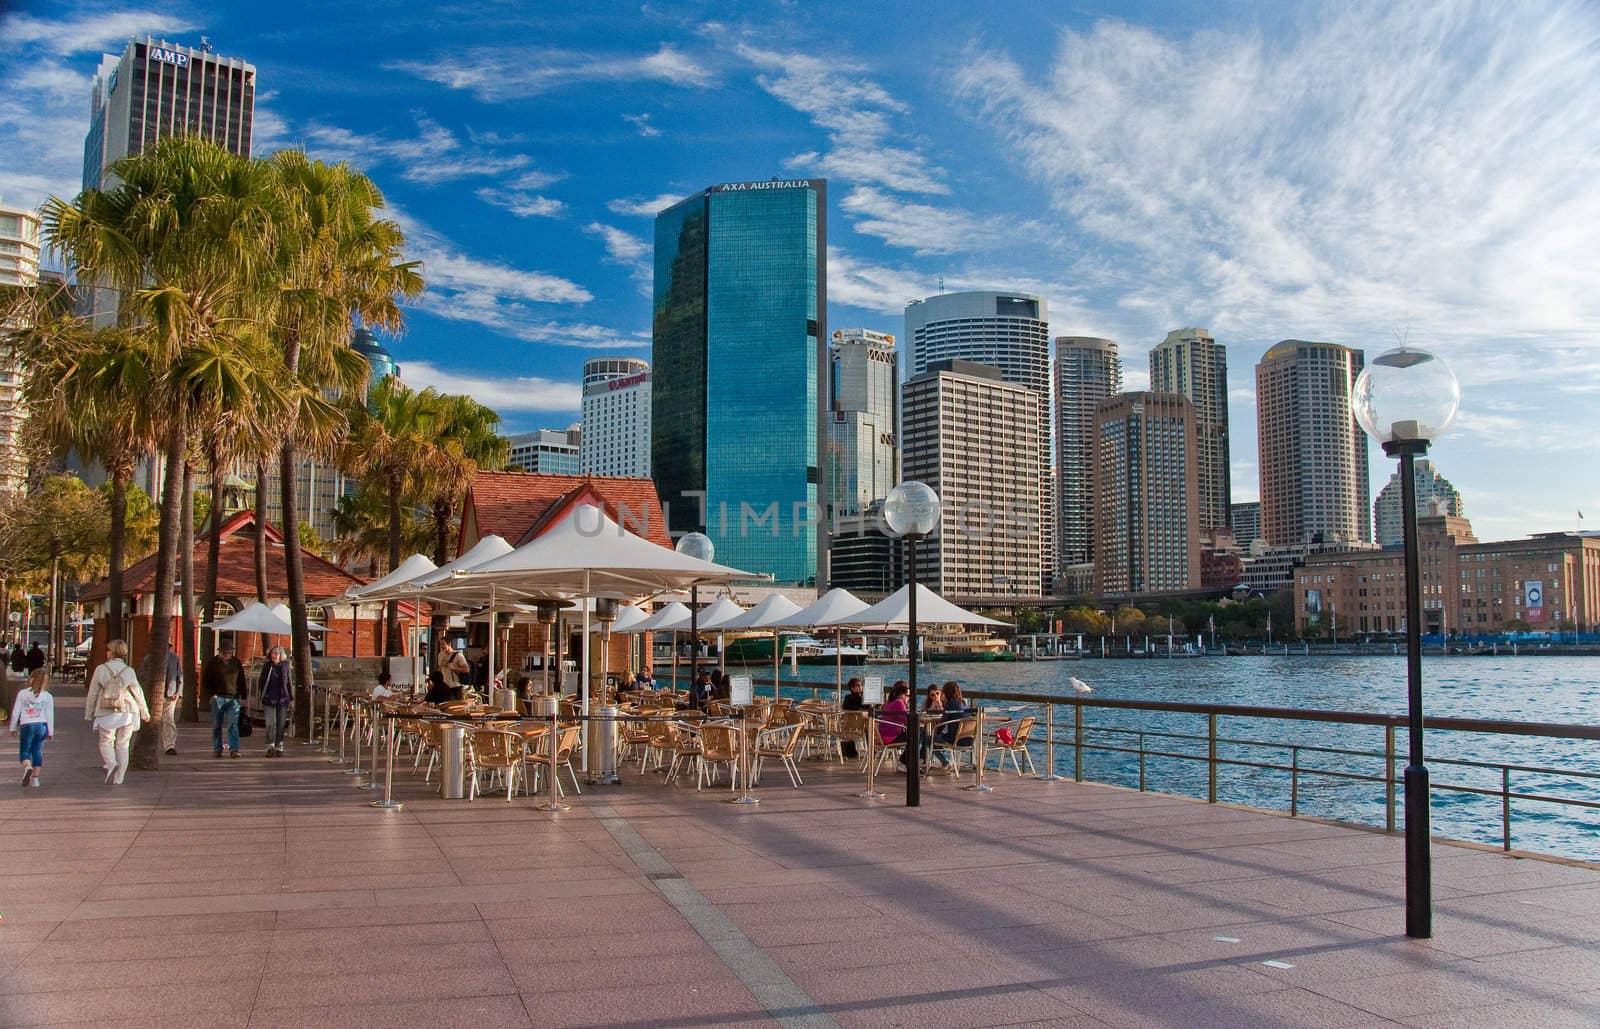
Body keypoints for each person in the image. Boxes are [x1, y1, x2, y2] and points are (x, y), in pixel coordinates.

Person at [85, 639, 149, 785]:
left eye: (108, 650)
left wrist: (89, 713)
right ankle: (119, 778)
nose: (106, 652)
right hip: (127, 710)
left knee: (106, 741)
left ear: (112, 652)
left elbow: (93, 693)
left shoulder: (101, 669)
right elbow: (138, 692)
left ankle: (111, 763)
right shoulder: (129, 671)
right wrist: (145, 712)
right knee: (123, 745)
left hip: (106, 709)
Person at [9, 668, 53, 787]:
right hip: (42, 725)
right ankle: (36, 779)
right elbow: (50, 715)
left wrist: (13, 727)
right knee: (37, 751)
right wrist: (50, 731)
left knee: (25, 750)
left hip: (27, 725)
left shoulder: (23, 694)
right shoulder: (48, 696)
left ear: (31, 679)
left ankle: (27, 766)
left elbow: (16, 711)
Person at [202, 641, 247, 758]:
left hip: (233, 697)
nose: (228, 655)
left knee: (233, 724)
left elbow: (241, 680)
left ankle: (234, 749)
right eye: (226, 653)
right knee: (217, 724)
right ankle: (217, 748)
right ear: (220, 652)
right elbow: (206, 681)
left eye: (230, 652)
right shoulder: (213, 663)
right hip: (218, 697)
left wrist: (244, 696)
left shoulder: (236, 662)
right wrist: (212, 694)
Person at [258, 646, 292, 756]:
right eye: (273, 653)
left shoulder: (285, 666)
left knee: (281, 724)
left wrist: (291, 698)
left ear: (281, 656)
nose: (274, 656)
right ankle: (270, 746)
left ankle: (279, 746)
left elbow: (288, 683)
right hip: (269, 698)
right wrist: (262, 693)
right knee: (270, 723)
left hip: (282, 698)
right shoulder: (268, 665)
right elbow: (261, 680)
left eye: (277, 654)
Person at [878, 681, 911, 769]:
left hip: (882, 737)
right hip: (891, 737)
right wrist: (906, 704)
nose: (908, 698)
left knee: (913, 734)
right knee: (916, 736)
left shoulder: (887, 703)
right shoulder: (899, 702)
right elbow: (906, 720)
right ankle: (904, 761)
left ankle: (906, 760)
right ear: (903, 694)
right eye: (907, 696)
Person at [160, 648, 182, 756]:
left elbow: (179, 676)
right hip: (156, 694)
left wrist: (178, 692)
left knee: (168, 719)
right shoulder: (150, 658)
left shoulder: (174, 658)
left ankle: (170, 745)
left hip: (170, 693)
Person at [920, 684, 947, 767]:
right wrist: (932, 706)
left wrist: (940, 705)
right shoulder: (926, 702)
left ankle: (923, 758)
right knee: (926, 735)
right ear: (929, 695)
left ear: (941, 693)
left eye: (937, 693)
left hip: (943, 729)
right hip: (930, 727)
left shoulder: (945, 702)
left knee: (928, 738)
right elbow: (922, 716)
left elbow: (945, 717)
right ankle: (925, 759)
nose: (935, 696)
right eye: (932, 695)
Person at [839, 677, 865, 759]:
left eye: (861, 685)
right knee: (870, 727)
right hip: (859, 724)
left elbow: (844, 707)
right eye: (858, 686)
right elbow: (847, 706)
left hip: (848, 725)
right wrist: (859, 708)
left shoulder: (850, 697)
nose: (860, 687)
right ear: (852, 688)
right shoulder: (858, 698)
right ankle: (873, 748)